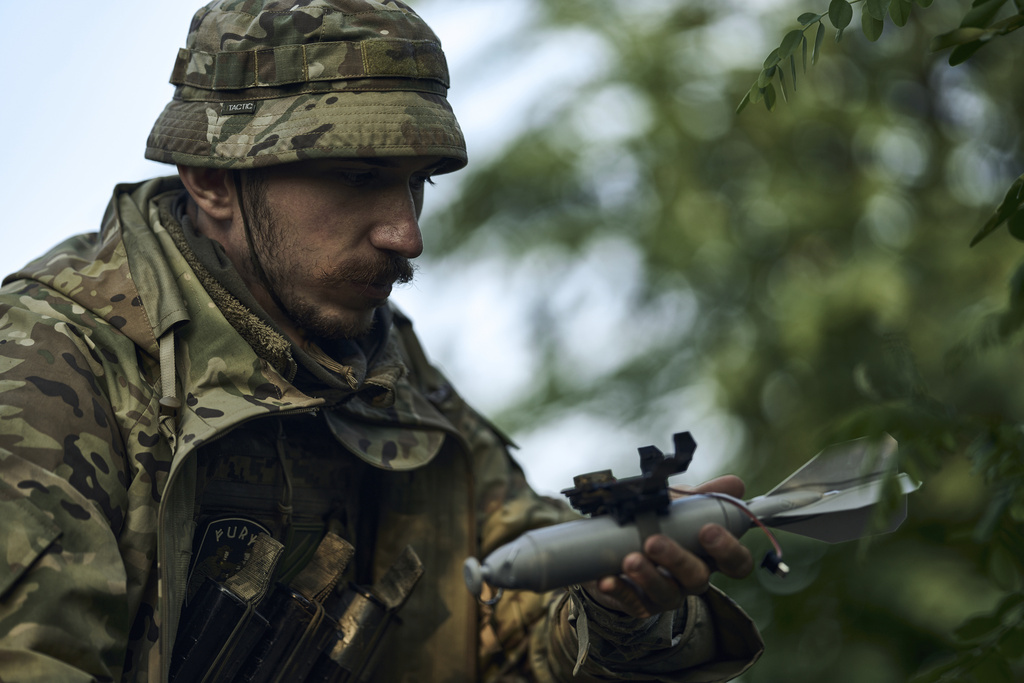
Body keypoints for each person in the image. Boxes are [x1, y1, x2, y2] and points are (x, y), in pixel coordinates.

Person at [0, 1, 763, 681]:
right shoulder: (48, 368)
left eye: (418, 181)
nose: (407, 234)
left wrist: (617, 601)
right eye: (360, 175)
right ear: (211, 178)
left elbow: (513, 622)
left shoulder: (382, 368)